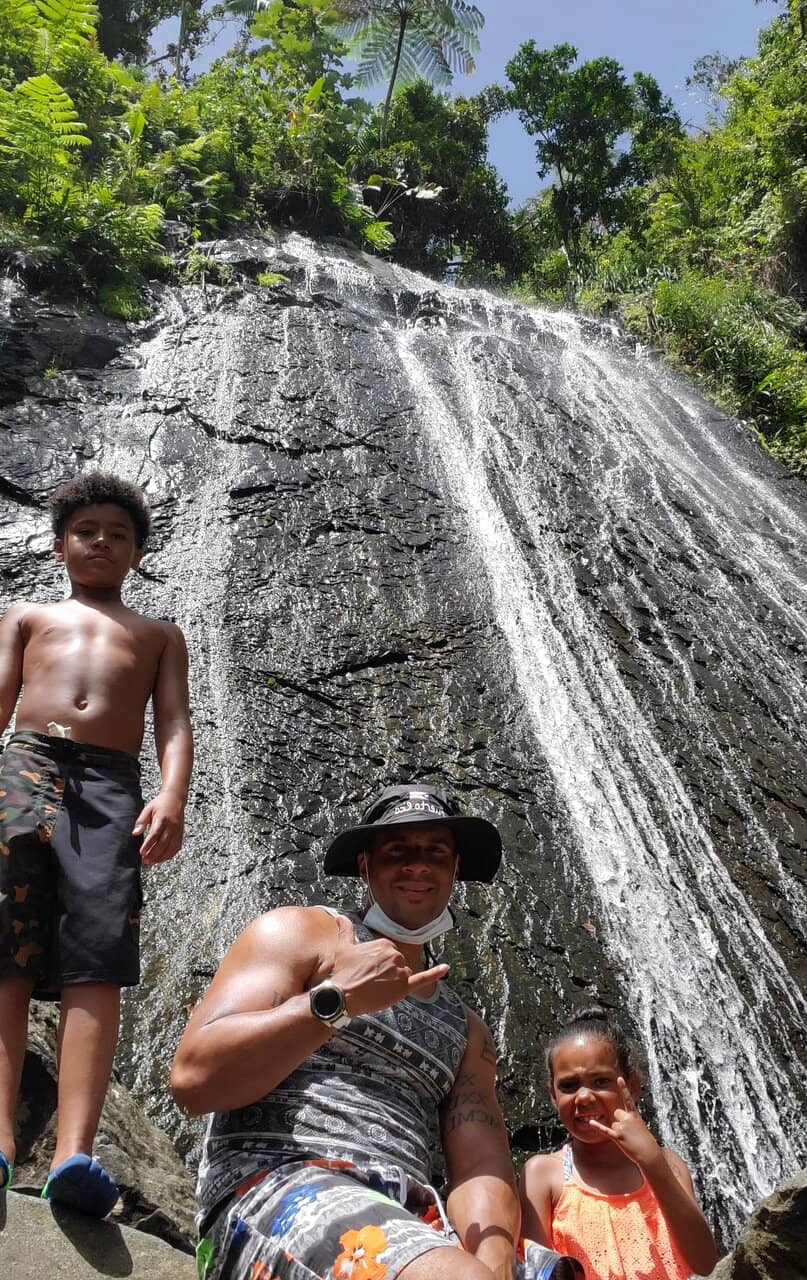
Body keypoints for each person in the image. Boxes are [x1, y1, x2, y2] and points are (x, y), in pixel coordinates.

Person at [172, 782, 539, 1280]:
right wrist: (337, 1000)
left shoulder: (466, 1029)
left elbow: (481, 1165)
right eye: (397, 850)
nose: (418, 865)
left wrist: (494, 1262)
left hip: (413, 1218)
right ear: (365, 866)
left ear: (455, 869)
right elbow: (195, 1079)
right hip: (278, 1186)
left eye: (436, 851)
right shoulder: (299, 934)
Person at [0, 472, 192, 1217]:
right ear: (58, 546)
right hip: (26, 763)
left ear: (138, 553)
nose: (101, 542)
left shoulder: (158, 634)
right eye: (86, 531)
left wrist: (171, 795)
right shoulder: (26, 616)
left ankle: (73, 1154)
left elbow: (172, 721)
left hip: (111, 783)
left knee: (97, 954)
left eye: (118, 534)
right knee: (7, 950)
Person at [519, 1008, 718, 1280]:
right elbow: (537, 1273)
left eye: (601, 1081)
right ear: (552, 1095)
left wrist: (652, 1162)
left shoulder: (667, 1163)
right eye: (568, 1086)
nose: (584, 1096)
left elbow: (705, 1263)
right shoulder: (544, 1175)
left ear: (632, 1086)